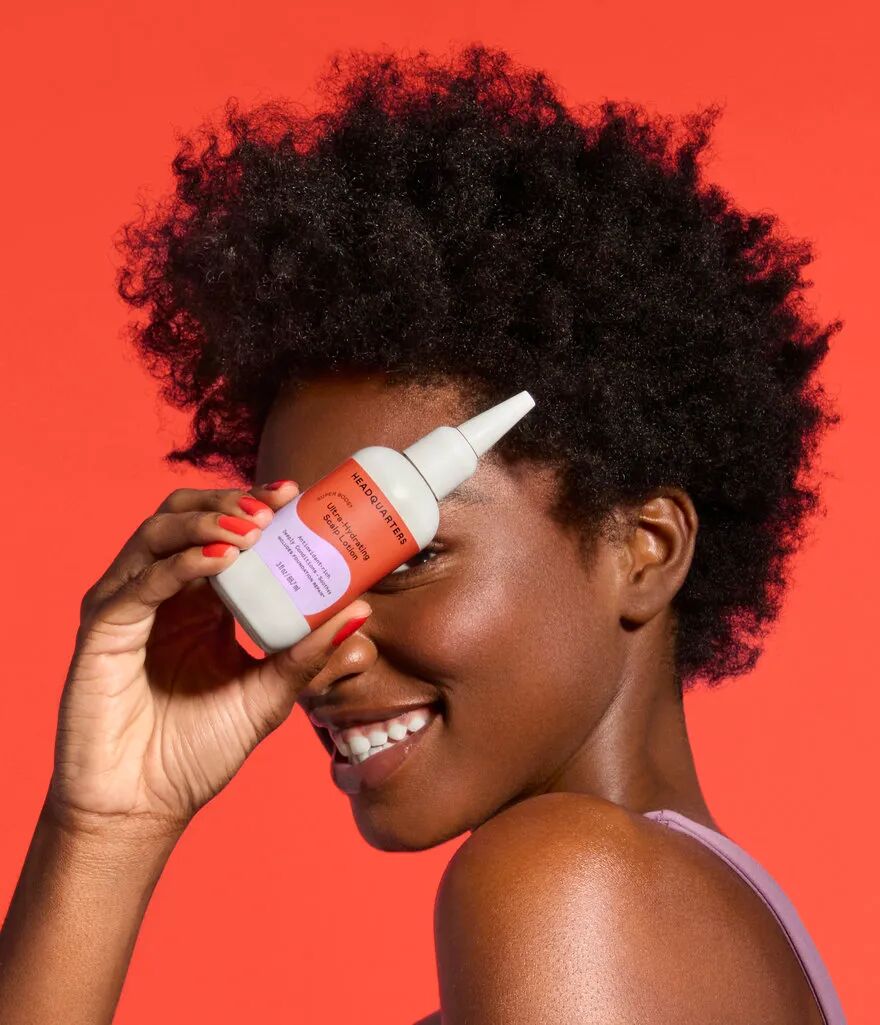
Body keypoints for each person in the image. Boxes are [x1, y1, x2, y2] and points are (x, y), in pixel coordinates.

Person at [0, 44, 848, 1024]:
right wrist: (107, 823)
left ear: (642, 547)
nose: (326, 652)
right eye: (308, 566)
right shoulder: (687, 916)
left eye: (410, 557)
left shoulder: (563, 881)